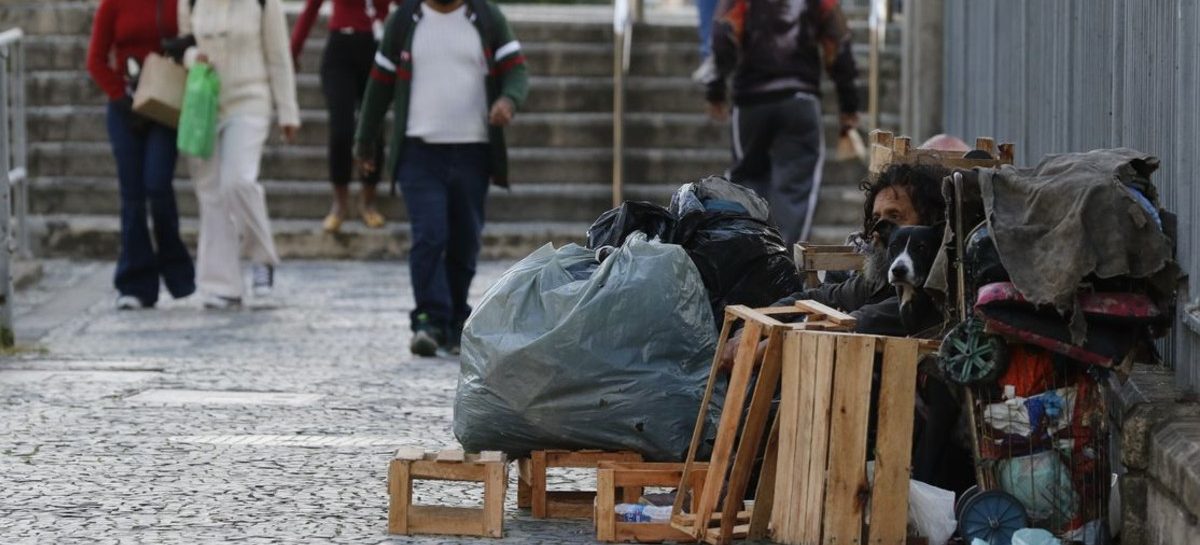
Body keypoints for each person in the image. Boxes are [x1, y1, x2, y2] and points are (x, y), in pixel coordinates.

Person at [355, 0, 529, 357]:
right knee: (430, 234)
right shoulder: (404, 20)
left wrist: (509, 100)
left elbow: (516, 70)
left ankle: (454, 320)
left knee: (465, 240)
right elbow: (379, 83)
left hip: (474, 151)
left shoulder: (486, 17)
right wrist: (365, 139)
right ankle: (429, 319)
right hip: (419, 151)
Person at [705, 0, 861, 247]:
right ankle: (785, 262)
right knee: (796, 189)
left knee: (746, 181)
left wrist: (715, 88)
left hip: (750, 101)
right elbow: (838, 41)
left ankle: (748, 255)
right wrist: (848, 102)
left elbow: (723, 34)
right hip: (799, 100)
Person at [178, 0, 300, 309]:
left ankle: (262, 258)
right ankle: (222, 284)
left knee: (238, 180)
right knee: (211, 193)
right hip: (204, 103)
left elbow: (278, 56)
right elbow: (182, 44)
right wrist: (194, 56)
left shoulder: (263, 3)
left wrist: (288, 111)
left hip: (250, 100)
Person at [87, 0, 196, 310]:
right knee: (132, 194)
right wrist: (120, 97)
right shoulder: (113, 4)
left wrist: (181, 47)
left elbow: (193, 39)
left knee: (157, 184)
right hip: (124, 107)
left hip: (164, 102)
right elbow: (95, 60)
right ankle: (135, 283)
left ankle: (178, 273)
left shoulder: (178, 4)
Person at [290, 0, 391, 233]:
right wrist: (293, 51)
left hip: (375, 50)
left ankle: (368, 201)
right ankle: (340, 203)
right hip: (340, 52)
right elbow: (311, 9)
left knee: (373, 131)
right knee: (341, 129)